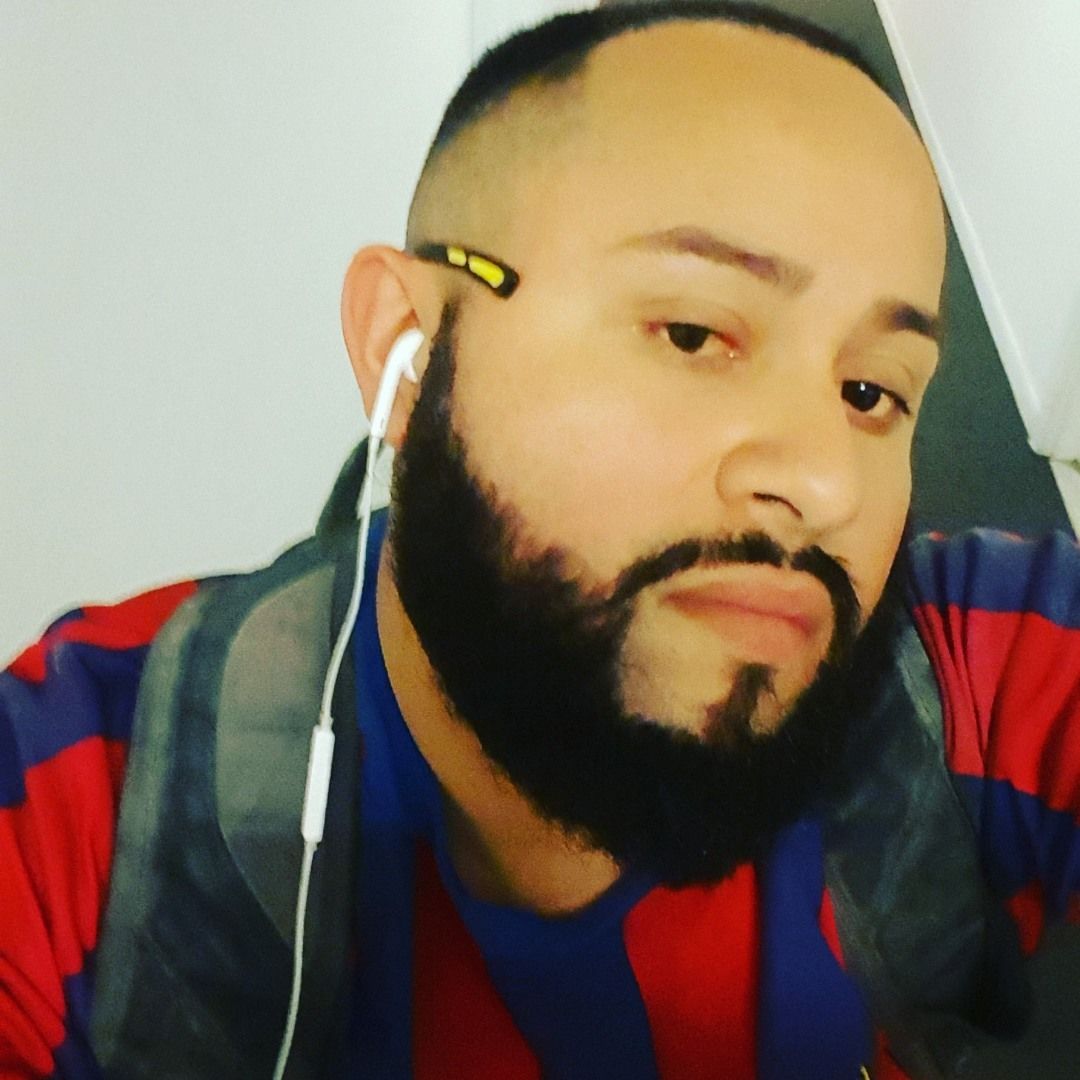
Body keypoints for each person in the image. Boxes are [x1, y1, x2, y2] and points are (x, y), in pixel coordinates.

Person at [2, 3, 1078, 1078]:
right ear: (408, 347)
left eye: (872, 392)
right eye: (694, 333)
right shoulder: (86, 809)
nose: (824, 482)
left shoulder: (968, 682)